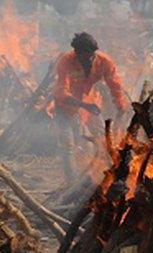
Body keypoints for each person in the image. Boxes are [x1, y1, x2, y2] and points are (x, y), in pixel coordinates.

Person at [52, 31, 128, 182]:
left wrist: (121, 106)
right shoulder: (65, 61)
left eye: (91, 54)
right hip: (65, 109)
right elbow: (61, 91)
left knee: (103, 139)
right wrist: (83, 105)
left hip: (90, 106)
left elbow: (115, 85)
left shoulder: (105, 61)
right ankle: (71, 183)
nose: (89, 59)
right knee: (68, 145)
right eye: (84, 55)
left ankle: (110, 174)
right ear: (76, 52)